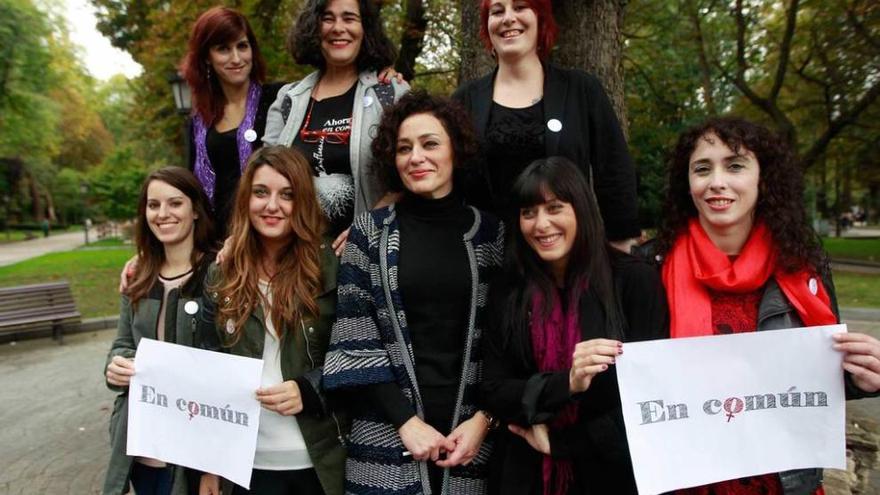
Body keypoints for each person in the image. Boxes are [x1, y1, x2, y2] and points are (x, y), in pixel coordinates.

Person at [654, 117, 880, 494]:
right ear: (687, 183)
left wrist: (863, 379)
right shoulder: (649, 269)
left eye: (736, 165)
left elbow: (819, 380)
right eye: (702, 169)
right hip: (691, 482)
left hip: (783, 483)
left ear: (763, 179)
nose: (716, 182)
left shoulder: (804, 266)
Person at [322, 91, 504, 494]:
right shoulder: (370, 232)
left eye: (430, 144)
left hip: (472, 442)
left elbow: (509, 341)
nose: (416, 157)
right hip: (385, 438)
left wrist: (484, 420)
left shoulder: (492, 234)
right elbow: (354, 338)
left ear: (456, 149)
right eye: (404, 148)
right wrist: (406, 422)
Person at [481, 157, 667, 495]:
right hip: (525, 473)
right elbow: (494, 389)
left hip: (612, 473)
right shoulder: (509, 289)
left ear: (581, 208)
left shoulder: (634, 280)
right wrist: (567, 382)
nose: (541, 224)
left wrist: (564, 443)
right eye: (528, 213)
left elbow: (651, 399)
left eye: (554, 208)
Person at [197, 146, 345, 495]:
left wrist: (309, 388)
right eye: (261, 193)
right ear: (246, 199)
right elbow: (206, 367)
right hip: (246, 463)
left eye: (287, 195)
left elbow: (356, 355)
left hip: (319, 459)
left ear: (303, 201)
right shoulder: (223, 272)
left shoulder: (332, 266)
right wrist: (210, 464)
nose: (272, 206)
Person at [452, 0, 640, 251]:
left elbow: (614, 171)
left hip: (567, 262)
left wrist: (622, 242)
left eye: (519, 7)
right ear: (487, 27)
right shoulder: (464, 100)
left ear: (540, 19)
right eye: (497, 11)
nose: (508, 18)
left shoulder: (581, 90)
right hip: (490, 266)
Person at [103, 167, 216, 495]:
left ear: (195, 210)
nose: (163, 214)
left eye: (175, 203)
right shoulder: (138, 277)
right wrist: (116, 366)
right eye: (153, 205)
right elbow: (123, 344)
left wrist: (213, 466)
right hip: (140, 450)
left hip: (193, 453)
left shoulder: (218, 277)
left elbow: (225, 365)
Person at [263, 0, 408, 251]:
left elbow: (410, 176)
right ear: (314, 27)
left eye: (349, 18)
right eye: (328, 18)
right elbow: (261, 179)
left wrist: (366, 227)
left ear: (366, 29)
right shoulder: (288, 99)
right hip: (295, 258)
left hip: (368, 257)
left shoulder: (390, 94)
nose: (338, 27)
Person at [180, 6, 284, 240]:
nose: (236, 58)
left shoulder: (280, 99)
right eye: (223, 49)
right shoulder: (197, 123)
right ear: (207, 56)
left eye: (242, 46)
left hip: (270, 237)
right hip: (215, 242)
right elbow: (188, 191)